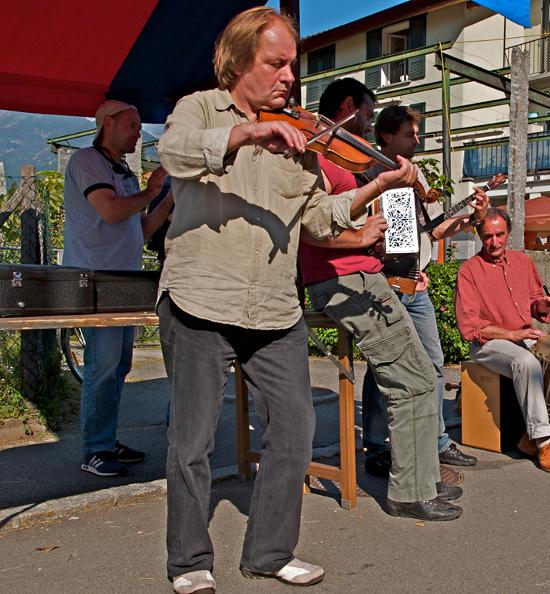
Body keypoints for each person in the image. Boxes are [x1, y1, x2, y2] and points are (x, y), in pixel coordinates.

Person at [156, 9, 420, 593]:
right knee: (193, 439)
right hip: (202, 296)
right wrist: (247, 133)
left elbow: (317, 220)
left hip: (275, 305)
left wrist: (375, 188)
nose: (289, 77)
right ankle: (189, 560)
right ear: (240, 60)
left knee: (297, 428)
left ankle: (270, 552)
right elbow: (174, 155)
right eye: (276, 63)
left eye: (292, 66)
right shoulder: (198, 108)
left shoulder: (301, 140)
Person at [300, 79, 465, 522]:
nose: (369, 132)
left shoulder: (342, 161)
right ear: (349, 107)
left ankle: (423, 483)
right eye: (369, 118)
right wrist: (366, 230)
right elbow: (311, 227)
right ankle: (408, 492)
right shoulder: (317, 154)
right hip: (345, 279)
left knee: (423, 377)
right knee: (414, 378)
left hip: (363, 274)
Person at [359, 105, 485, 477]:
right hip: (387, 287)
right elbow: (376, 239)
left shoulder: (410, 181)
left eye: (417, 134)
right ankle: (378, 445)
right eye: (409, 134)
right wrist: (398, 269)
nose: (417, 139)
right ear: (386, 136)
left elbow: (420, 233)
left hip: (415, 285)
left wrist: (465, 222)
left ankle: (437, 440)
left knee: (433, 363)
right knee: (382, 368)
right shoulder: (375, 177)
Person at [63, 99, 173, 478]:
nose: (139, 132)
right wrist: (148, 193)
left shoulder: (121, 168)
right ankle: (95, 448)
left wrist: (167, 195)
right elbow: (110, 211)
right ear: (107, 123)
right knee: (104, 365)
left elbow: (140, 230)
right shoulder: (87, 162)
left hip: (123, 278)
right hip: (97, 280)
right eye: (133, 125)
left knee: (118, 364)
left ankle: (105, 441)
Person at [455, 208, 550, 472]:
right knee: (526, 363)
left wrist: (544, 305)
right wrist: (512, 334)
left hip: (522, 337)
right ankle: (542, 441)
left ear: (509, 233)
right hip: (488, 344)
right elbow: (470, 327)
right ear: (480, 236)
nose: (494, 242)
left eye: (499, 235)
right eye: (488, 236)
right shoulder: (469, 271)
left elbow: (533, 302)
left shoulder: (522, 262)